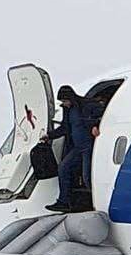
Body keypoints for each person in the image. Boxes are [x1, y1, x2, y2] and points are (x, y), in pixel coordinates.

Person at [41, 85, 103, 213]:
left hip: (89, 146)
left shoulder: (87, 105)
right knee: (63, 168)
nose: (64, 104)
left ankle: (98, 203)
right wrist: (50, 136)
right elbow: (65, 127)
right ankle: (63, 202)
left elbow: (102, 114)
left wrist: (96, 125)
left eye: (65, 101)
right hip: (77, 147)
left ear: (71, 98)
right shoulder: (68, 110)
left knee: (87, 176)